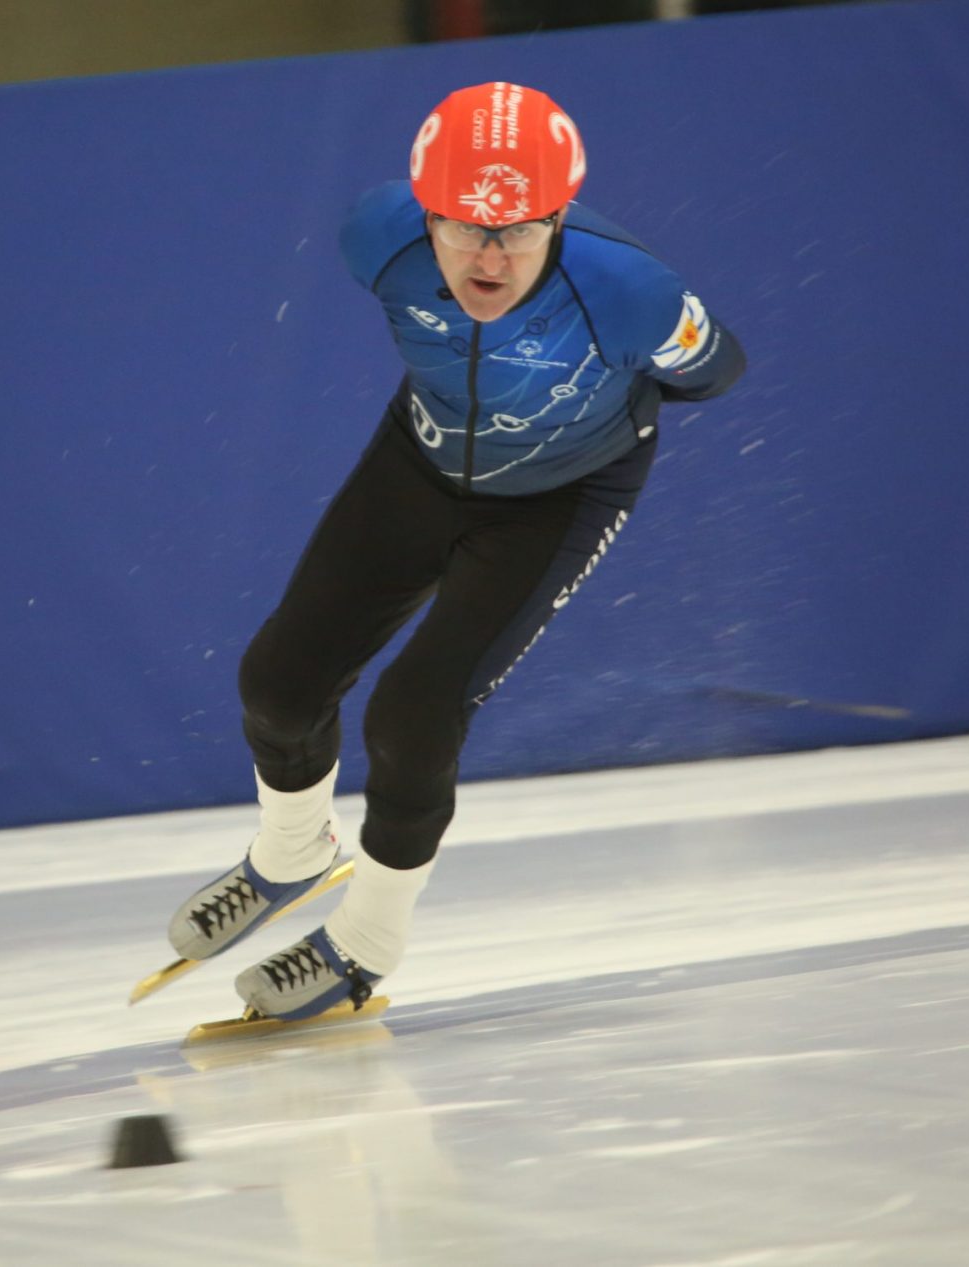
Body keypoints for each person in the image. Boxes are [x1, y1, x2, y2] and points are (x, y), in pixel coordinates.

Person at [166, 81, 745, 1020]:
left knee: (414, 714)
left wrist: (602, 419)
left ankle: (366, 941)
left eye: (519, 229)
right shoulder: (376, 236)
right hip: (422, 459)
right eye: (465, 227)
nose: (489, 255)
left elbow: (716, 373)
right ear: (424, 211)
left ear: (559, 215)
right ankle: (290, 856)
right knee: (278, 682)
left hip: (561, 500)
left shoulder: (634, 294)